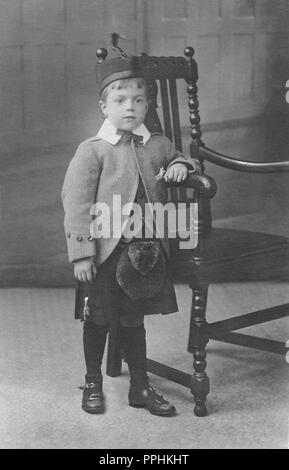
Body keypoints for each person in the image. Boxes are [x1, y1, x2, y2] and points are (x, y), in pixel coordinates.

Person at [61, 51, 200, 417]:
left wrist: (180, 166)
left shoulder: (156, 143)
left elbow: (183, 158)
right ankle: (93, 381)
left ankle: (140, 385)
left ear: (147, 105)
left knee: (133, 321)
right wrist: (82, 254)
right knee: (100, 317)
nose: (130, 107)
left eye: (138, 100)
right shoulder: (94, 151)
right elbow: (75, 203)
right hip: (105, 253)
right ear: (103, 106)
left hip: (144, 254)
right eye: (120, 100)